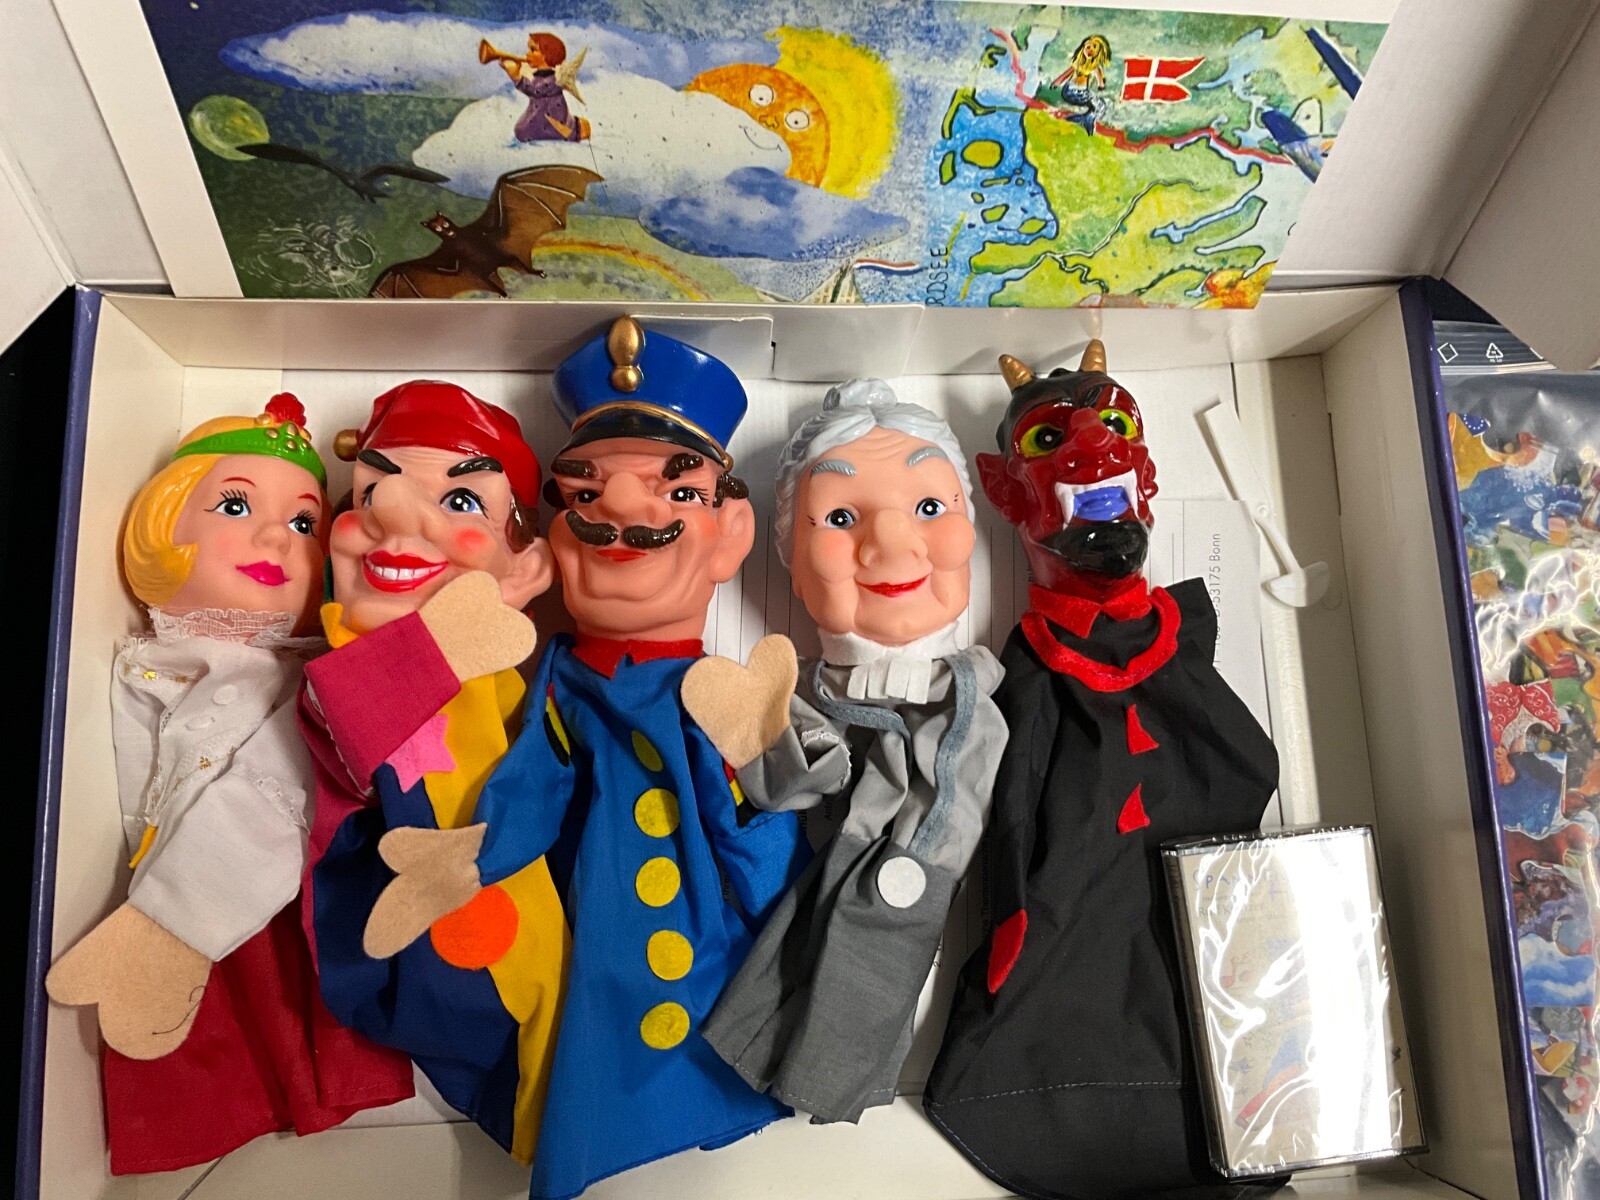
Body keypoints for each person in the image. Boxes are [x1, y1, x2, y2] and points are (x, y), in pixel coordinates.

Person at [363, 318, 810, 1200]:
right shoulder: (562, 676)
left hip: (708, 950)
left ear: (729, 533)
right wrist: (475, 854)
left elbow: (760, 835)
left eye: (675, 489)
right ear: (556, 536)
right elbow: (536, 776)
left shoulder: (716, 689)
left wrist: (762, 784)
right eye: (584, 491)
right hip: (594, 934)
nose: (622, 513)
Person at [923, 344, 1283, 1199]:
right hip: (1055, 1041)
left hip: (1239, 1028)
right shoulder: (1026, 678)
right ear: (1006, 489)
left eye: (1116, 424)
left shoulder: (1180, 648)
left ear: (1144, 471)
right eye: (1049, 439)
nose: (1095, 442)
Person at [45, 395, 416, 1174]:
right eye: (236, 505)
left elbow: (289, 791)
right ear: (162, 523)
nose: (277, 537)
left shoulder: (309, 683)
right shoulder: (145, 666)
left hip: (248, 903)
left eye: (305, 523)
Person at [688, 379, 1007, 1124]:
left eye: (929, 507)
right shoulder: (796, 689)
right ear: (791, 562)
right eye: (839, 517)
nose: (890, 545)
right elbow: (782, 785)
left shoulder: (978, 699)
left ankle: (812, 1068)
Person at [299, 379, 564, 1165]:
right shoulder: (336, 682)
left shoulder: (523, 683)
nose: (393, 520)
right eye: (370, 494)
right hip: (418, 959)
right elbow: (348, 736)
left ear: (527, 566)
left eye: (460, 501)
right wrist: (444, 644)